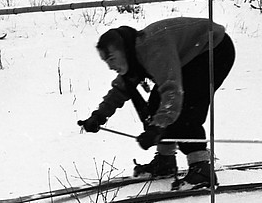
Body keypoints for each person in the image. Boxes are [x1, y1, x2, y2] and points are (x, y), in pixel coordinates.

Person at [77, 17, 236, 187]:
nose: (110, 66)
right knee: (156, 104)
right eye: (106, 61)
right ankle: (165, 161)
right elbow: (121, 89)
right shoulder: (134, 55)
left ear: (123, 50)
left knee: (185, 108)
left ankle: (201, 169)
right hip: (190, 56)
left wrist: (157, 127)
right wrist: (99, 115)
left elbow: (172, 93)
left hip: (213, 50)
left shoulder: (153, 50)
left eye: (111, 58)